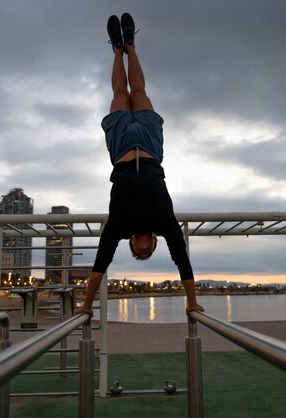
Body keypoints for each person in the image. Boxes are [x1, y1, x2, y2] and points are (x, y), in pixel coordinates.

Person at [75, 13, 204, 318]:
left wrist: (85, 305)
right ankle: (131, 45)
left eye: (138, 253)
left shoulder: (118, 227)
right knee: (140, 93)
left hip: (121, 146)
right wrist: (191, 300)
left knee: (121, 94)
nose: (143, 251)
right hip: (148, 146)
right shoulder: (164, 222)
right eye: (148, 252)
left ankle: (117, 50)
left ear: (132, 243)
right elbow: (182, 260)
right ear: (153, 242)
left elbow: (100, 264)